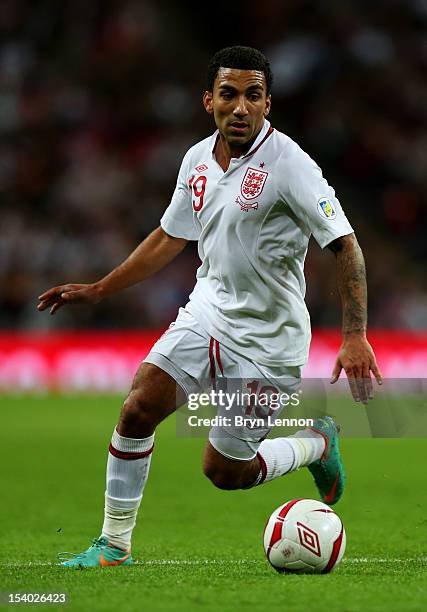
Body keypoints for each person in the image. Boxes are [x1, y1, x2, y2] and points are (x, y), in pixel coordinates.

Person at [38, 46, 382, 568]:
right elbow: (168, 236)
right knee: (137, 408)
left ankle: (316, 442)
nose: (240, 107)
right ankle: (113, 545)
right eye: (228, 95)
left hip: (269, 344)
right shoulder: (196, 160)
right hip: (207, 314)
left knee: (225, 473)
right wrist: (99, 289)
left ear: (269, 103)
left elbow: (346, 246)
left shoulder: (290, 164)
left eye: (253, 96)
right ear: (208, 101)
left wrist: (354, 334)